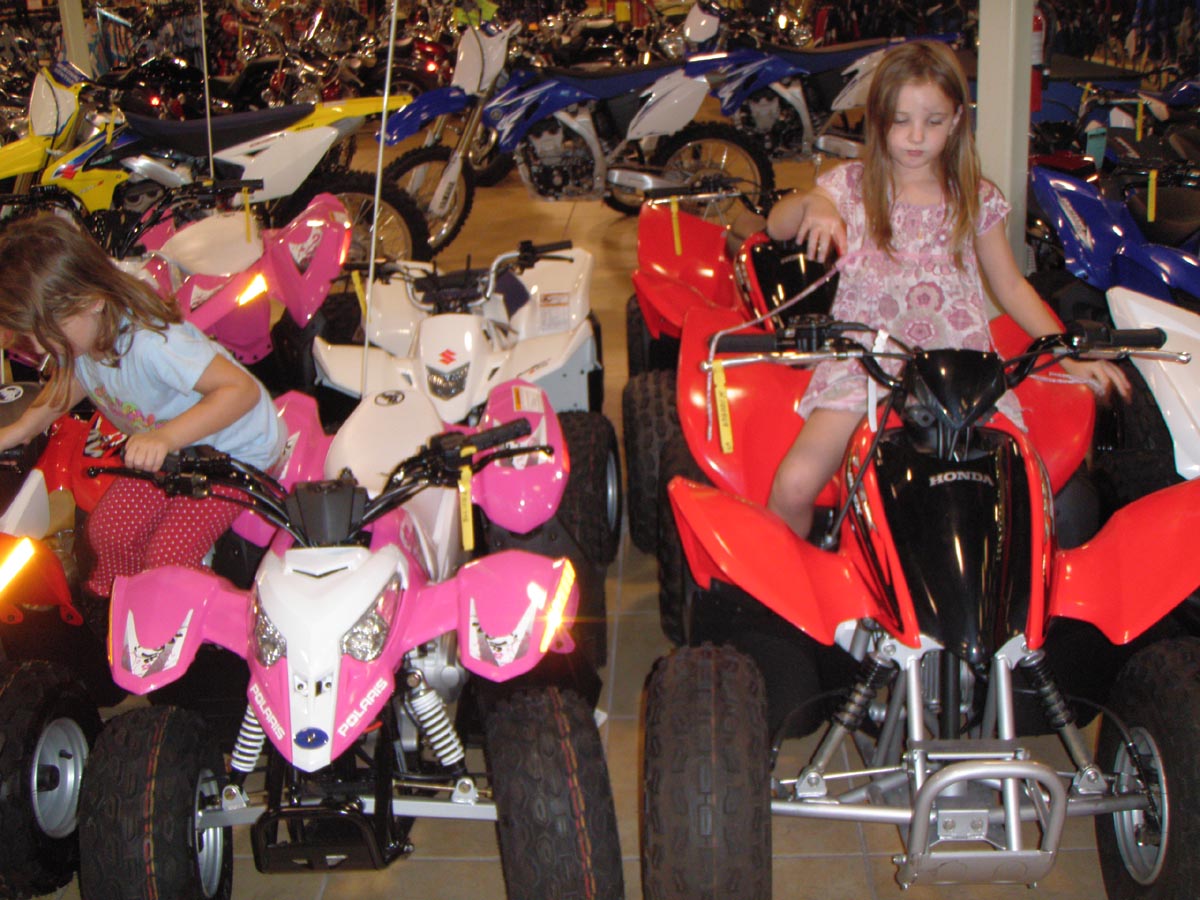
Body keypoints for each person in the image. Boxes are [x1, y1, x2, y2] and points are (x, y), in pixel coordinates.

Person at [764, 40, 1129, 540]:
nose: (916, 137)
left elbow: (1012, 286)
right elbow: (776, 225)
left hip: (959, 373)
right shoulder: (848, 186)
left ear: (957, 119)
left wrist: (1068, 355)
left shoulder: (974, 197)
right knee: (792, 486)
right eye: (900, 120)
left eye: (933, 121)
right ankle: (794, 583)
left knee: (1018, 489)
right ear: (878, 119)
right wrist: (813, 204)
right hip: (867, 368)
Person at [0, 215, 284, 609]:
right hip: (172, 451)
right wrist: (19, 430)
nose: (35, 346)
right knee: (107, 532)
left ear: (91, 299)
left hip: (233, 451)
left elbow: (241, 392)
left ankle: (216, 619)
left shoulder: (152, 343)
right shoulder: (85, 337)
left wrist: (164, 438)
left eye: (42, 332)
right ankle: (128, 607)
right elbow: (71, 382)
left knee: (168, 556)